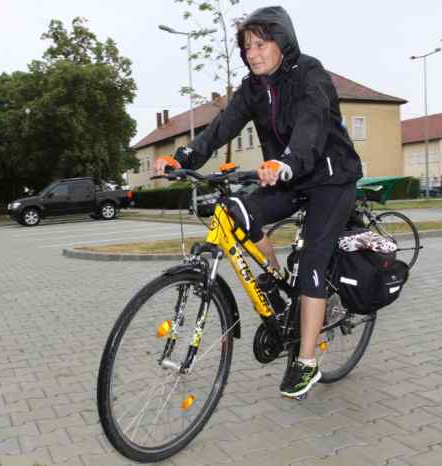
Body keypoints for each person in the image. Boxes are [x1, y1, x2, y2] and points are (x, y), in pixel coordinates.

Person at [155, 6, 362, 398]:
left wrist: (287, 162)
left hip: (330, 177)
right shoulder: (252, 87)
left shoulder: (310, 74)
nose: (252, 53)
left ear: (282, 42)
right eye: (247, 47)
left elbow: (311, 126)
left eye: (260, 44)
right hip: (287, 177)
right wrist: (183, 158)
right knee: (236, 211)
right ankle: (274, 277)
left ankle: (306, 361)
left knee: (312, 262)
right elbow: (221, 128)